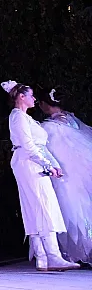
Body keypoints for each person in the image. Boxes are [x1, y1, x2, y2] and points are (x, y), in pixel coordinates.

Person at [4, 81, 79, 271]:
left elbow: (40, 145)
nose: (34, 99)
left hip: (31, 161)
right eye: (31, 95)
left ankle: (43, 257)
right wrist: (46, 164)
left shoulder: (25, 118)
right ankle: (52, 255)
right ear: (21, 97)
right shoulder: (18, 117)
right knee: (42, 204)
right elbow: (28, 145)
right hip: (28, 163)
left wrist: (53, 164)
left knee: (36, 206)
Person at [38, 89, 92, 265]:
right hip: (81, 173)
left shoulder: (49, 127)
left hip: (65, 175)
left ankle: (76, 251)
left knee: (71, 209)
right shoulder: (71, 119)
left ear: (45, 104)